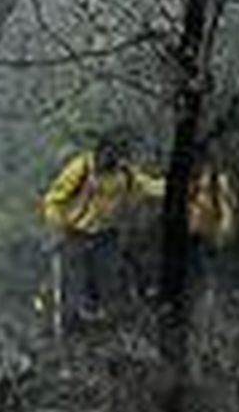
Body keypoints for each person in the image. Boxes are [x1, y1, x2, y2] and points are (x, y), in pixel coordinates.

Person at [40, 131, 165, 333]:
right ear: (100, 150)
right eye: (110, 151)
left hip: (106, 236)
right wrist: (58, 226)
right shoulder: (82, 167)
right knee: (74, 287)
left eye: (118, 153)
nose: (113, 157)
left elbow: (150, 186)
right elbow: (54, 199)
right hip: (76, 234)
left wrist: (183, 185)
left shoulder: (125, 174)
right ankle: (67, 333)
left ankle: (104, 334)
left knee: (109, 287)